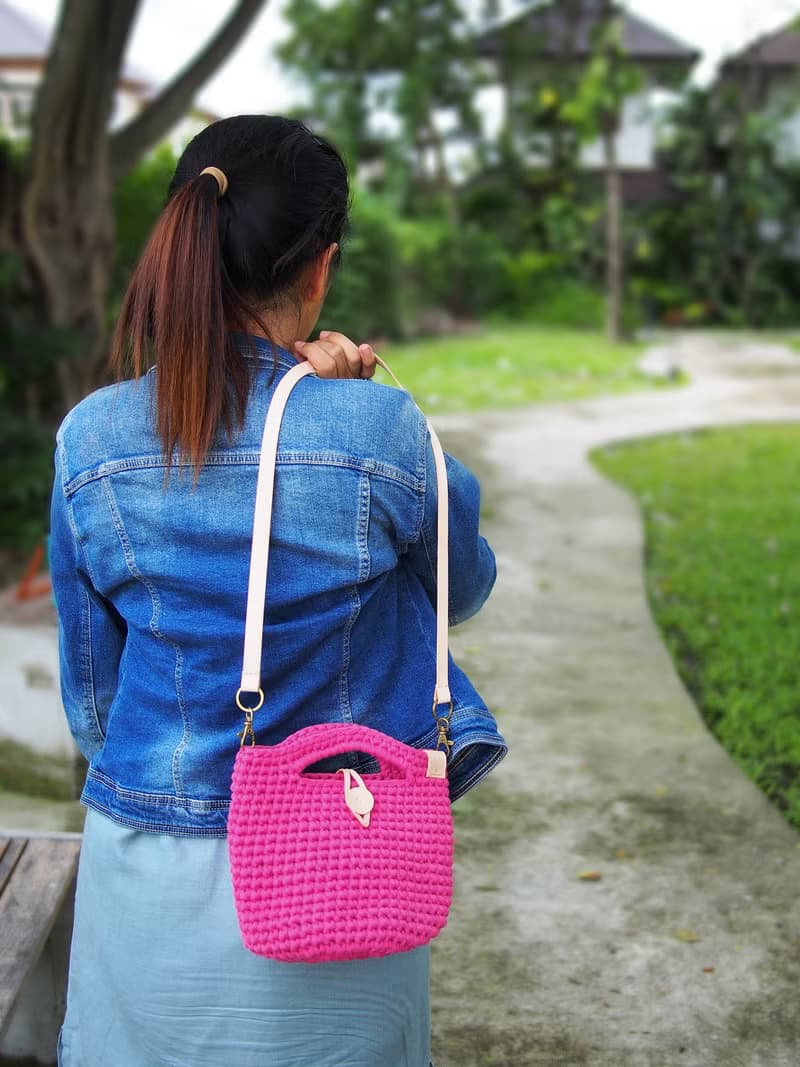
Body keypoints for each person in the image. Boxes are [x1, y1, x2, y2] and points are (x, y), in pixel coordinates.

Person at [50, 114, 506, 1067]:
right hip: (342, 858)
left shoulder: (90, 438)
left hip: (148, 863)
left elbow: (94, 697)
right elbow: (462, 589)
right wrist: (370, 407)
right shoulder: (377, 431)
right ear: (320, 269)